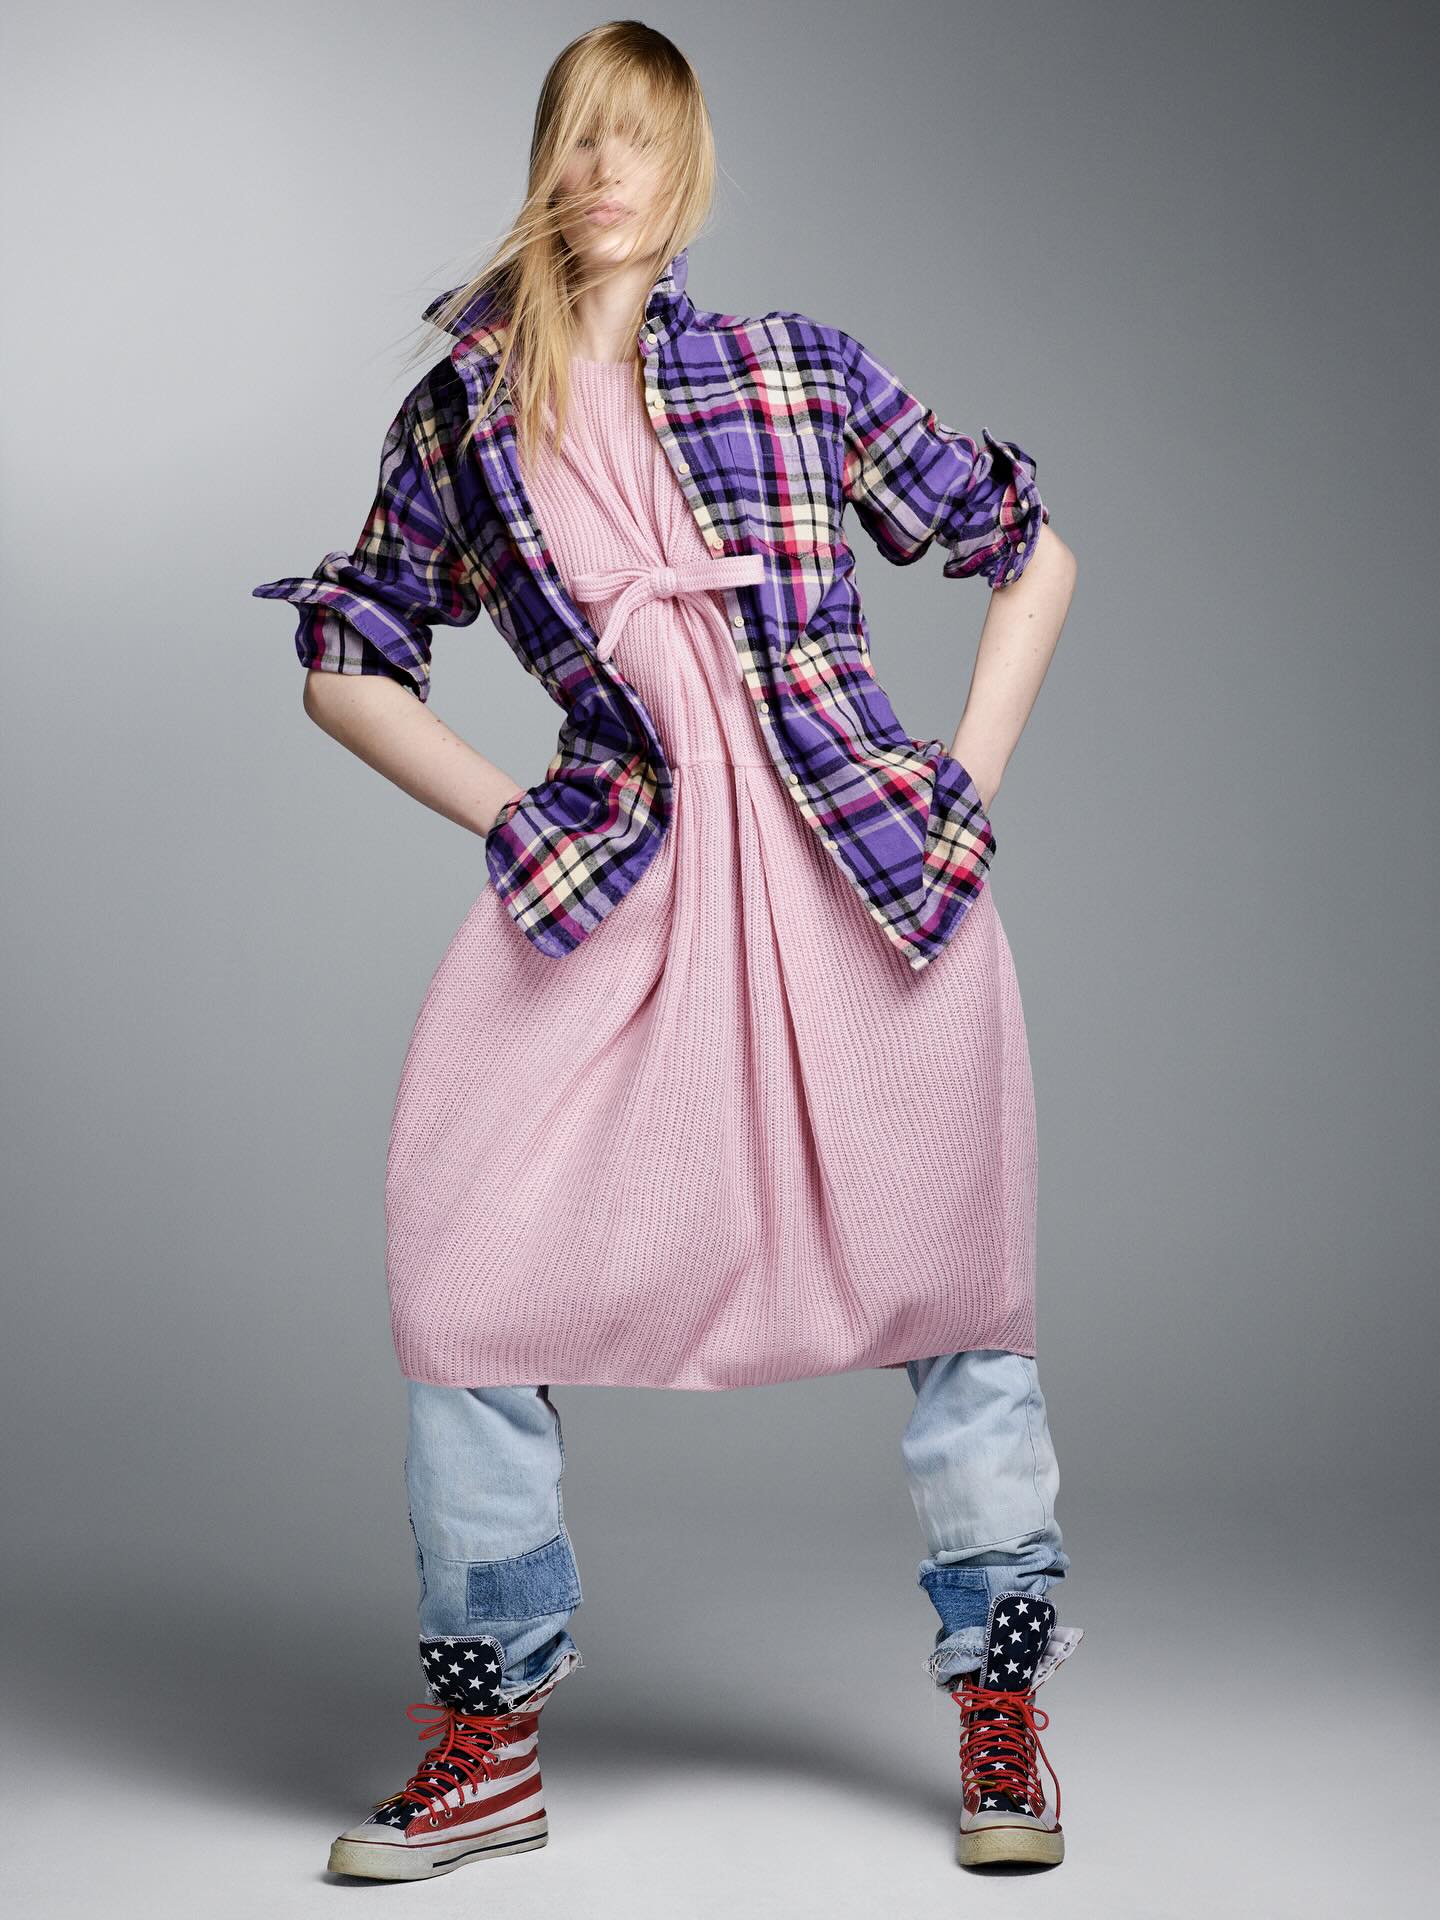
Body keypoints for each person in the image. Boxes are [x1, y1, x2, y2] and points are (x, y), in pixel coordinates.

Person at [252, 18, 1082, 1882]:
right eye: (577, 136)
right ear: (542, 162)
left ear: (689, 166)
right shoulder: (463, 417)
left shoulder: (794, 369)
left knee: (961, 1298)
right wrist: (512, 814)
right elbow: (348, 660)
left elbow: (1029, 549)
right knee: (465, 1272)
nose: (604, 172)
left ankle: (1003, 1716)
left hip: (864, 878)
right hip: (626, 882)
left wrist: (962, 782)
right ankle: (490, 1738)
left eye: (639, 138)